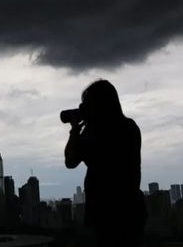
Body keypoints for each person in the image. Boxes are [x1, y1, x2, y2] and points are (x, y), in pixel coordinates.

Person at [64, 79, 146, 247]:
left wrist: (75, 129)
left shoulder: (95, 132)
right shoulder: (130, 127)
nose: (83, 109)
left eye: (86, 104)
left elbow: (70, 161)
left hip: (103, 213)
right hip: (131, 211)